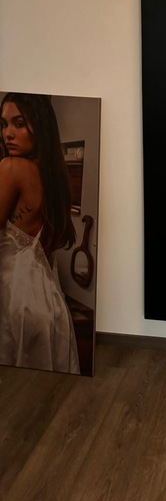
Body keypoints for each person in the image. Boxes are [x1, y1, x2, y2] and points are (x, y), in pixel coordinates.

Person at [0, 92, 80, 374]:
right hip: (50, 304)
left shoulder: (11, 168)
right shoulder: (53, 177)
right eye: (4, 124)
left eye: (19, 123)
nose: (8, 134)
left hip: (14, 301)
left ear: (41, 126)